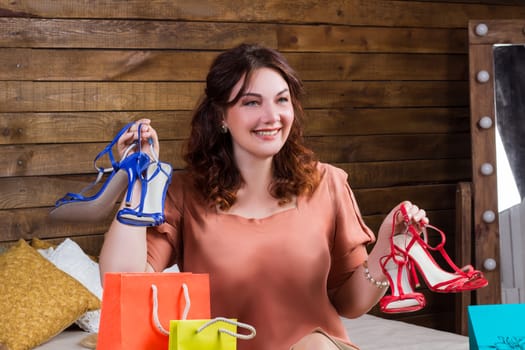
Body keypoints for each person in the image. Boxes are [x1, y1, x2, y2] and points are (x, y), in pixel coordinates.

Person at [99, 43, 428, 350]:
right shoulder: (185, 194)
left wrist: (387, 252)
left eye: (282, 100)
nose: (272, 116)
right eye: (251, 102)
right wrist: (138, 181)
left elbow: (349, 305)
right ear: (220, 116)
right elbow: (122, 281)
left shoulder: (327, 183)